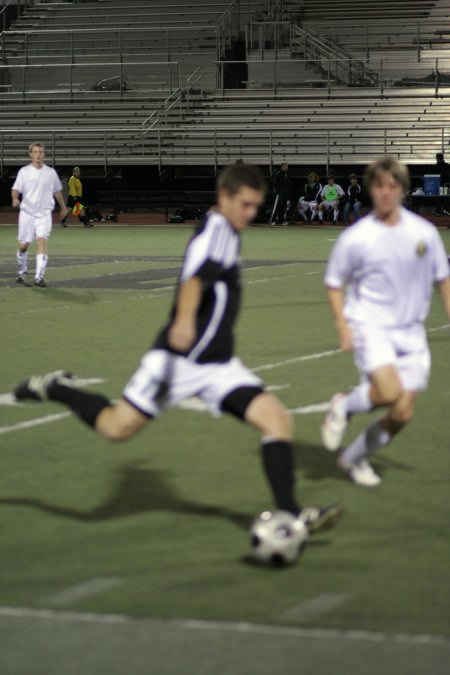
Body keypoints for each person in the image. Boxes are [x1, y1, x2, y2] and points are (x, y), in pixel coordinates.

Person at [15, 163, 342, 539]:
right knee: (115, 428)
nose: (252, 213)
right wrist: (185, 321)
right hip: (177, 362)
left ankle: (290, 515)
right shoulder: (216, 231)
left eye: (257, 206)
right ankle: (57, 388)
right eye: (247, 205)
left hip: (217, 364)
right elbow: (195, 277)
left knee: (276, 421)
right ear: (225, 197)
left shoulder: (228, 231)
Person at [321, 158, 450, 487]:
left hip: (411, 331)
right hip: (371, 325)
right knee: (389, 391)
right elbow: (335, 282)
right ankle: (344, 406)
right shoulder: (357, 237)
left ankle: (353, 458)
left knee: (402, 412)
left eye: (393, 186)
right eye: (379, 186)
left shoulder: (423, 233)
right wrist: (342, 325)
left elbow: (443, 279)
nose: (386, 192)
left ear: (403, 190)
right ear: (371, 189)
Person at [12, 142, 69, 287]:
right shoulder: (24, 172)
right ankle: (22, 269)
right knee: (24, 245)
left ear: (44, 154)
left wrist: (63, 208)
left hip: (44, 214)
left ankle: (39, 276)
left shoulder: (50, 173)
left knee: (41, 241)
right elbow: (16, 189)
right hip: (27, 214)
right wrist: (15, 198)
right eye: (35, 152)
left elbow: (57, 191)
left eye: (40, 152)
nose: (38, 154)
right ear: (30, 154)